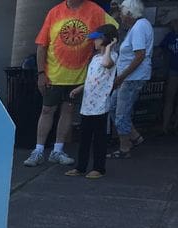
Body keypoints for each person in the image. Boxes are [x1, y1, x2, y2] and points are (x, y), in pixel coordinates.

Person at [23, 0, 116, 167]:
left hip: (77, 76)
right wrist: (41, 73)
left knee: (68, 110)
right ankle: (38, 151)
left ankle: (58, 150)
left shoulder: (94, 10)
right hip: (54, 74)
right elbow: (41, 45)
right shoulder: (55, 12)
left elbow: (113, 30)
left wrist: (104, 51)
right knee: (47, 110)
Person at [66, 24, 119, 178]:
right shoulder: (95, 58)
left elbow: (107, 64)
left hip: (100, 105)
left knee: (99, 138)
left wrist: (109, 47)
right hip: (87, 105)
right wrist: (80, 88)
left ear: (105, 40)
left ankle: (98, 167)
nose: (94, 42)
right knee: (85, 138)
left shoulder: (111, 56)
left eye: (97, 39)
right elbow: (92, 78)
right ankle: (81, 166)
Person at [109, 0, 153, 160]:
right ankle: (135, 137)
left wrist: (121, 77)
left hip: (131, 77)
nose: (120, 16)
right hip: (130, 76)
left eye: (121, 13)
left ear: (129, 13)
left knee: (121, 112)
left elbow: (139, 55)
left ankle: (124, 147)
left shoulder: (140, 27)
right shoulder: (139, 26)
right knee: (112, 106)